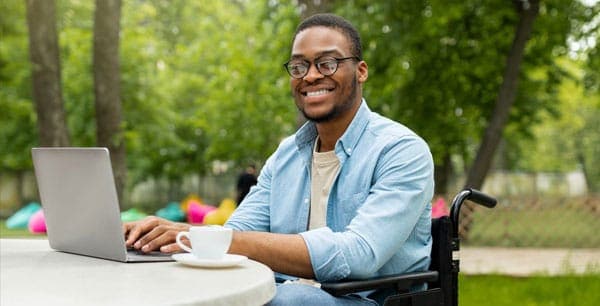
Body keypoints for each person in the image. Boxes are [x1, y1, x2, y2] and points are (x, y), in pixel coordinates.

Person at [123, 13, 434, 306]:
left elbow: (357, 255)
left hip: (365, 300)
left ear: (361, 71)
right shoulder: (287, 154)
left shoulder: (401, 151)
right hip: (287, 293)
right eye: (299, 67)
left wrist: (203, 237)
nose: (311, 76)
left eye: (327, 63)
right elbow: (239, 232)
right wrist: (164, 237)